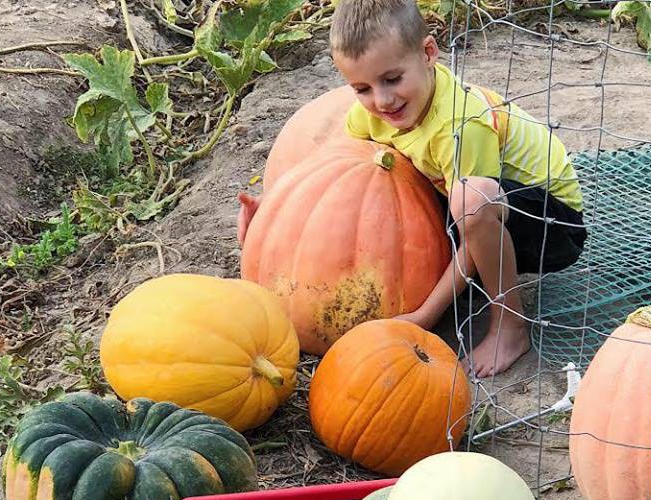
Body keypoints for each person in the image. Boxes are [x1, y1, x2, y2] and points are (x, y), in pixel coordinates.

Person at [238, 0, 587, 378]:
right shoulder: (372, 114)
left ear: (428, 53)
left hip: (551, 224)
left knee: (469, 198)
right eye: (362, 88)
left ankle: (510, 325)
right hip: (474, 207)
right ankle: (470, 281)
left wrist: (425, 314)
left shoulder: (462, 125)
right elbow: (334, 175)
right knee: (444, 197)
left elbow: (475, 214)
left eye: (392, 79)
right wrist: (275, 211)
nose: (382, 100)